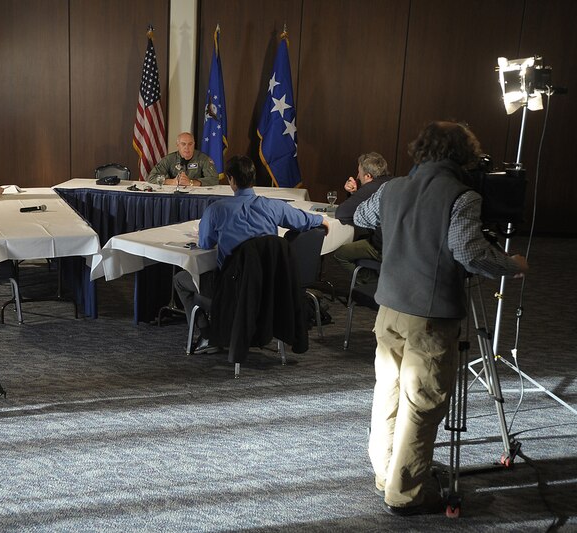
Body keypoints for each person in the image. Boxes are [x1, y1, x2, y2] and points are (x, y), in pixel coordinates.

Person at [354, 121, 528, 516]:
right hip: (429, 317)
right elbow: (468, 252)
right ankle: (406, 494)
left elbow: (362, 215)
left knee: (389, 393)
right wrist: (511, 265)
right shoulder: (462, 196)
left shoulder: (391, 188)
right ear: (462, 155)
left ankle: (386, 473)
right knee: (422, 403)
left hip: (389, 310)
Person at [173, 155, 328, 352]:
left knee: (180, 280)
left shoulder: (216, 210)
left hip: (232, 290)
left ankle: (206, 334)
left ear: (231, 180)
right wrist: (320, 221)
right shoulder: (274, 206)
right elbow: (303, 220)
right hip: (269, 288)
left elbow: (205, 243)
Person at [333, 152, 392, 285]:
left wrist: (359, 194)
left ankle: (371, 282)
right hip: (400, 244)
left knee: (340, 254)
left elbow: (342, 213)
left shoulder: (371, 187)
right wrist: (354, 193)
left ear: (368, 176)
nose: (357, 176)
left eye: (359, 172)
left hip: (383, 247)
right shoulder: (391, 182)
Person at [147, 132, 219, 187]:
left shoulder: (203, 158)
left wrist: (191, 182)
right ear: (177, 145)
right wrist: (172, 182)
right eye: (183, 144)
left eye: (190, 144)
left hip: (197, 196)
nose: (187, 147)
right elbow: (151, 177)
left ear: (194, 144)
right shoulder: (169, 159)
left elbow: (214, 179)